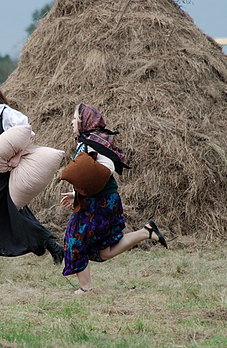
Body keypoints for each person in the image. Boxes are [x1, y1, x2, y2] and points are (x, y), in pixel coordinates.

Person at [60, 103, 168, 294]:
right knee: (102, 249)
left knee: (75, 240)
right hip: (98, 200)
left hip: (100, 202)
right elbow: (90, 174)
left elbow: (106, 168)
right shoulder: (86, 141)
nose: (71, 122)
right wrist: (76, 194)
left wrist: (82, 193)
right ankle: (146, 232)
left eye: (74, 118)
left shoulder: (96, 141)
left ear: (84, 121)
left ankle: (86, 290)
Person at [0, 79, 64, 264]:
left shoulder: (7, 115)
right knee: (18, 214)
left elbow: (25, 135)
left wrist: (17, 157)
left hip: (11, 174)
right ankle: (54, 248)